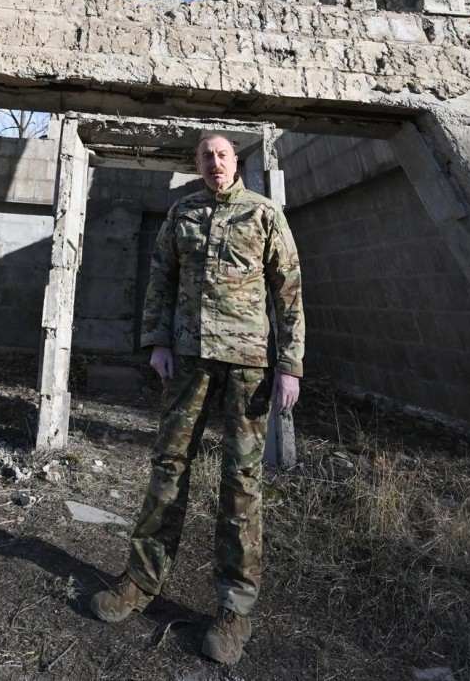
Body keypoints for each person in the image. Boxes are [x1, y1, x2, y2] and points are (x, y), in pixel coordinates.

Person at [89, 132, 304, 666]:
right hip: (187, 361)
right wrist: (157, 341)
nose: (215, 162)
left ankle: (235, 609)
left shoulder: (264, 214)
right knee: (168, 468)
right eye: (206, 156)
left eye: (223, 154)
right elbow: (160, 278)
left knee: (241, 483)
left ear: (237, 161)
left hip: (248, 367)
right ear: (196, 163)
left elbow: (289, 291)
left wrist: (290, 364)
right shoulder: (181, 212)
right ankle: (140, 581)